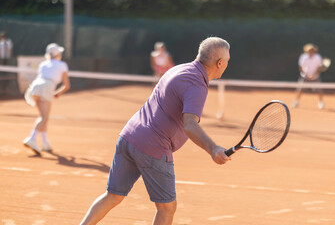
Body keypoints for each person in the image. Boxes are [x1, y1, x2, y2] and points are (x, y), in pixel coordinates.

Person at [80, 37, 231, 225]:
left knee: (112, 196)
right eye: (227, 61)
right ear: (220, 63)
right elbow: (190, 124)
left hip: (128, 136)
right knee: (167, 208)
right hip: (153, 147)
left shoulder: (178, 69)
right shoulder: (197, 85)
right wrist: (213, 148)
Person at [23, 43, 71, 155]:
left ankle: (45, 142)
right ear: (57, 54)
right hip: (47, 87)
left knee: (43, 117)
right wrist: (58, 93)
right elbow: (67, 85)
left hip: (35, 87)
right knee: (44, 117)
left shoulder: (43, 64)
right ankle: (32, 138)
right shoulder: (62, 65)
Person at [292, 43, 324, 109]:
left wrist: (314, 75)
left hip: (315, 77)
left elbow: (319, 68)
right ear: (307, 51)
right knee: (300, 89)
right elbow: (301, 67)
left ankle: (321, 102)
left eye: (312, 50)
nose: (311, 51)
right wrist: (306, 75)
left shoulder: (318, 57)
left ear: (314, 51)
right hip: (304, 76)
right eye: (309, 50)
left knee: (319, 90)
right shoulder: (303, 57)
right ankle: (296, 102)